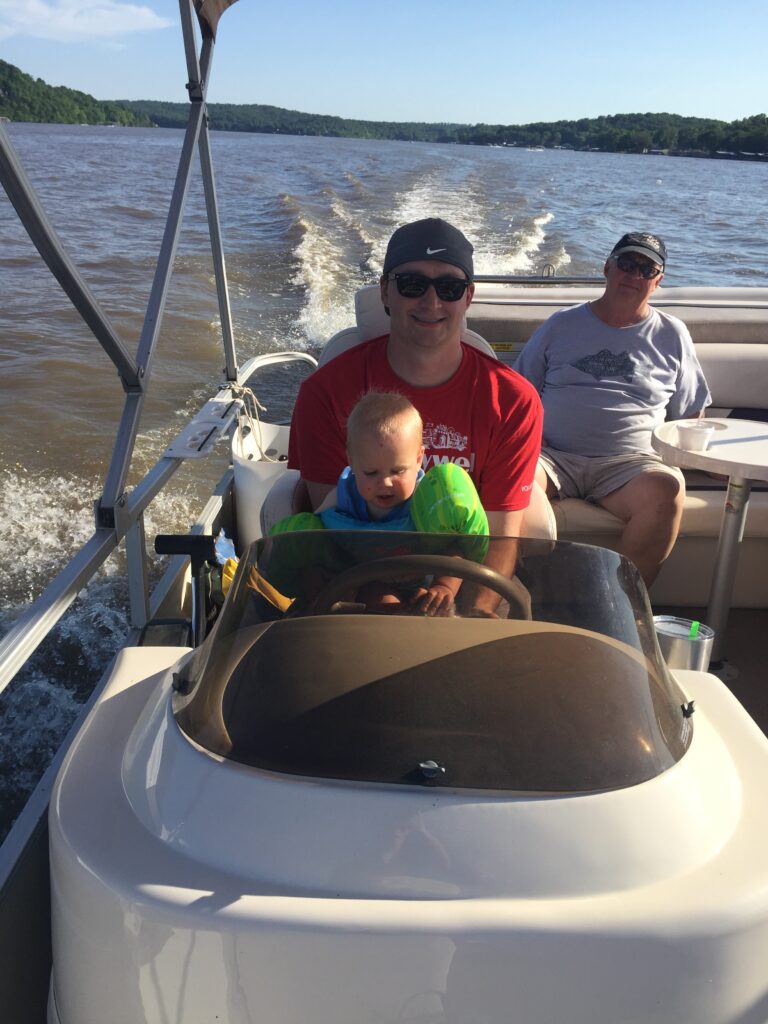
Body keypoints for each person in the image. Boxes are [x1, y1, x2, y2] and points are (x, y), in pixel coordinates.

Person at [287, 217, 544, 614]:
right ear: (386, 292)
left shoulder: (514, 401)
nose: (431, 301)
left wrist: (479, 614)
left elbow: (499, 537)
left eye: (449, 287)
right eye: (412, 284)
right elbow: (339, 529)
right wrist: (379, 603)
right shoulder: (323, 393)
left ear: (468, 297)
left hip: (468, 578)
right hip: (357, 584)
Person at [514, 231, 711, 586]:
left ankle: (621, 610)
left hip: (630, 465)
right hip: (552, 455)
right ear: (607, 267)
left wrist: (701, 462)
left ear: (658, 282)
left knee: (666, 491)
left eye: (646, 270)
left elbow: (689, 414)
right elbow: (520, 391)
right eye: (627, 264)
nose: (634, 275)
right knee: (511, 480)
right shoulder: (561, 324)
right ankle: (518, 597)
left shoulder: (673, 334)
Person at [275, 391, 488, 616]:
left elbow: (455, 548)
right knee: (381, 601)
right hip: (364, 584)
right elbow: (313, 541)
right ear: (352, 462)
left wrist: (444, 586)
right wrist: (313, 571)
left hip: (428, 583)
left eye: (397, 471)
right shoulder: (342, 498)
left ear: (418, 460)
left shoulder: (432, 501)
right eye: (371, 472)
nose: (385, 482)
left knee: (433, 607)